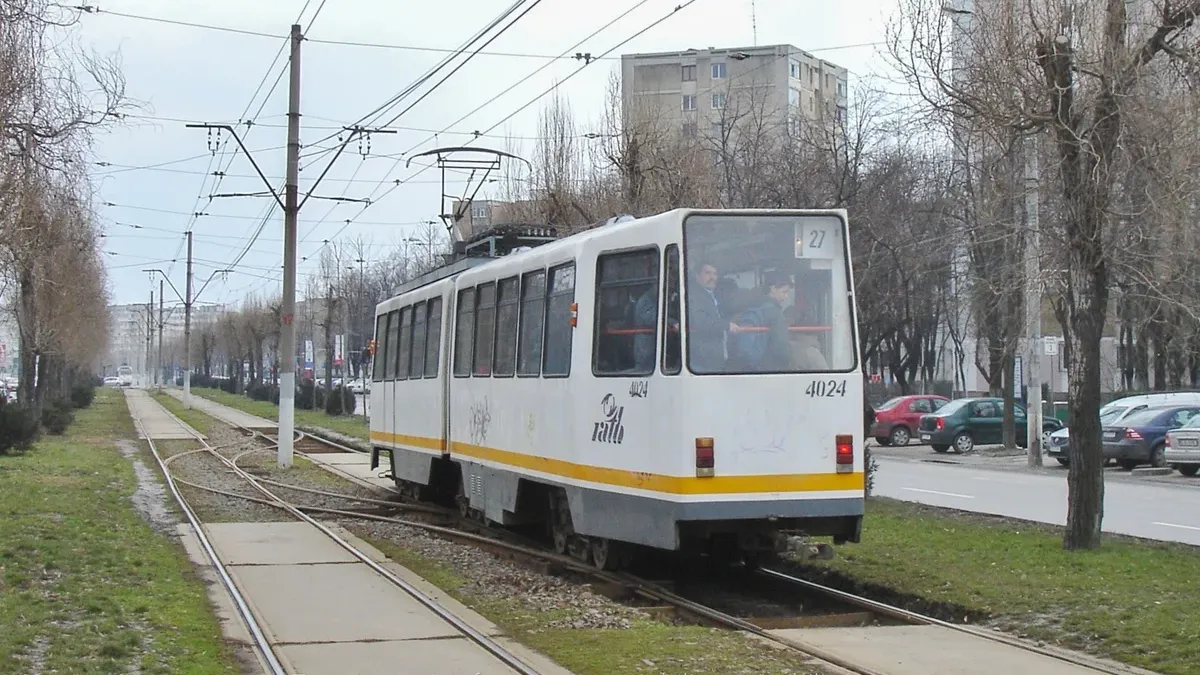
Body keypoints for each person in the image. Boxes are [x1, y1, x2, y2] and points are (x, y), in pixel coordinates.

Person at [730, 271, 793, 371]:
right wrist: (786, 363)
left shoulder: (751, 306)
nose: (786, 296)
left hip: (746, 364)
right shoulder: (775, 312)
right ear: (772, 289)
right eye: (784, 292)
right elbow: (780, 345)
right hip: (767, 366)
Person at [687, 261, 732, 372]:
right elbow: (701, 322)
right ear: (697, 276)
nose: (713, 277)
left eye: (715, 274)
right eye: (707, 273)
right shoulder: (695, 295)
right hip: (702, 361)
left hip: (713, 358)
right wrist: (727, 325)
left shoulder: (712, 295)